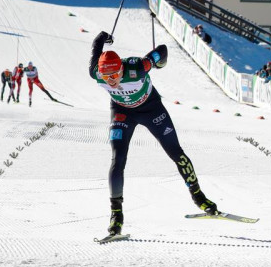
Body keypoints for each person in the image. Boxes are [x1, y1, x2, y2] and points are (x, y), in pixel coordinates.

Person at [89, 31, 218, 237]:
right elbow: (97, 44)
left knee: (175, 152)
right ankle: (116, 216)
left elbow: (162, 51)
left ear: (122, 69)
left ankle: (199, 197)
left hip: (152, 109)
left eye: (114, 75)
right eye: (106, 77)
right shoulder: (95, 72)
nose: (111, 81)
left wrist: (159, 63)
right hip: (122, 112)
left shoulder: (137, 68)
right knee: (118, 159)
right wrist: (104, 35)